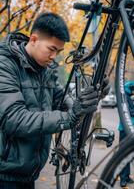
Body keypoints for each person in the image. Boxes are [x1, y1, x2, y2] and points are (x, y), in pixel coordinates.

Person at [0, 12, 110, 189]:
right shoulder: (5, 65)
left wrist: (94, 93)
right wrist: (69, 118)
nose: (54, 56)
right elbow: (13, 119)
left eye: (58, 51)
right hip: (5, 175)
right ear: (34, 39)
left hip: (28, 174)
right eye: (51, 49)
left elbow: (65, 103)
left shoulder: (45, 70)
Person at [118, 81, 134, 188]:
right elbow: (130, 112)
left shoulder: (127, 97)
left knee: (128, 154)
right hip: (125, 130)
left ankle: (126, 176)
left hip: (129, 129)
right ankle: (123, 179)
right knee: (124, 154)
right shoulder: (125, 98)